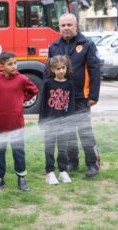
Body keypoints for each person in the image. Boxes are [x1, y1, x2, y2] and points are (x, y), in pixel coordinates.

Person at [47, 13, 101, 177]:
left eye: (69, 25)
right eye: (63, 25)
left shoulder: (87, 44)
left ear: (76, 25)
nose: (66, 28)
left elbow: (95, 70)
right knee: (68, 132)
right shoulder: (54, 46)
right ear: (59, 27)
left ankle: (93, 164)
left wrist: (93, 95)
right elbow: (48, 72)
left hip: (81, 97)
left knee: (85, 131)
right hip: (62, 97)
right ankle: (73, 162)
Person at [0, 51, 39, 191]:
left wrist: (23, 99)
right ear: (2, 65)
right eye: (10, 64)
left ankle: (21, 178)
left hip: (16, 125)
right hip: (0, 123)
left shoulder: (22, 79)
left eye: (15, 63)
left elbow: (34, 90)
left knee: (18, 152)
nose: (14, 66)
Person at [39, 55, 75, 185]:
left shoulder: (70, 84)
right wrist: (42, 120)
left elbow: (71, 104)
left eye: (63, 68)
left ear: (67, 68)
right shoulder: (48, 83)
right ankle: (50, 172)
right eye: (57, 68)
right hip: (49, 122)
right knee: (49, 148)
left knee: (62, 149)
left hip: (64, 123)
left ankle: (63, 171)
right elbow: (42, 103)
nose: (61, 71)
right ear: (52, 69)